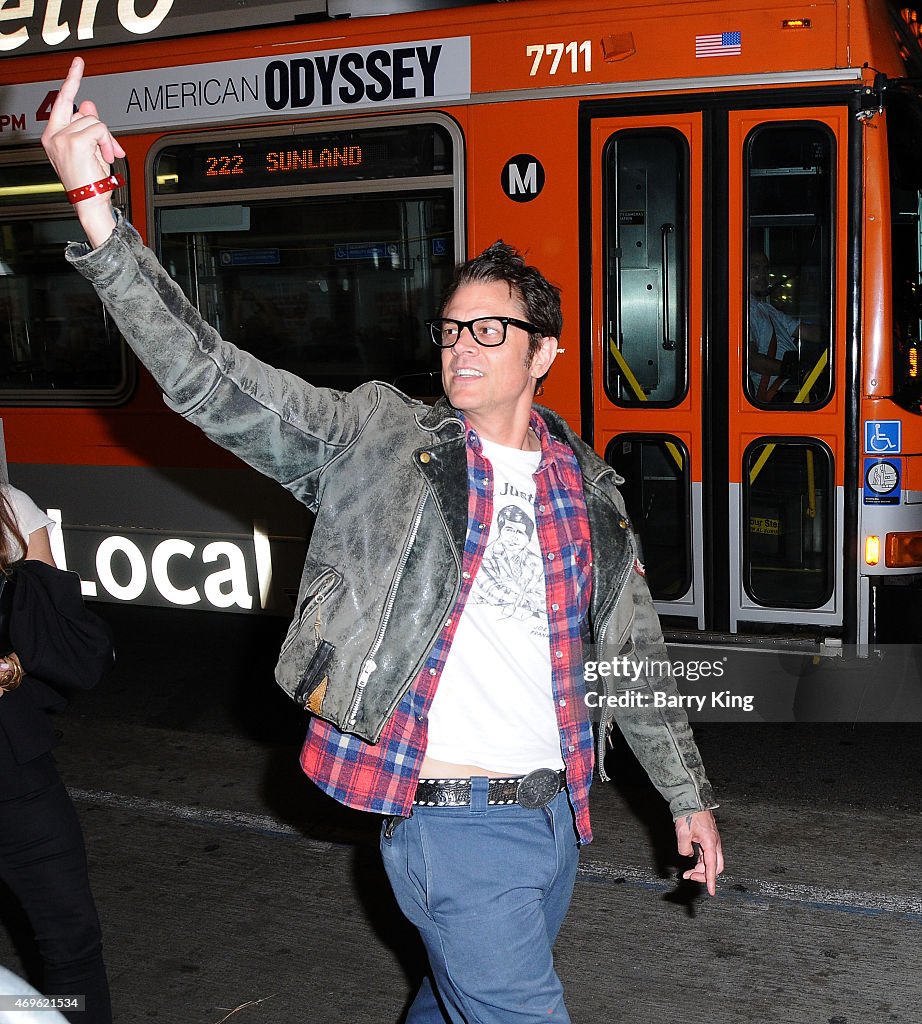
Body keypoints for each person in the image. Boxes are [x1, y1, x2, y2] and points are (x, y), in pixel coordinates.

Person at [41, 57, 723, 1024]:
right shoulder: (375, 439)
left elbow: (630, 660)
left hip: (553, 818)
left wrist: (685, 797)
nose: (462, 348)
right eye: (451, 330)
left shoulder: (587, 487)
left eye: (491, 330)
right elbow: (207, 375)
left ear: (545, 353)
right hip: (452, 826)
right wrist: (97, 204)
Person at [0, 482, 112, 1024]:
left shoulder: (11, 508)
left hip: (18, 776)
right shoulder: (11, 509)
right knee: (71, 949)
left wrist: (17, 659)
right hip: (16, 771)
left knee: (72, 949)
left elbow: (61, 632)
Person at [746, 250, 802, 401]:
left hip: (781, 389)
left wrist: (836, 334)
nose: (762, 275)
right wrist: (792, 370)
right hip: (764, 399)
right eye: (755, 268)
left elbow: (800, 330)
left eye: (765, 269)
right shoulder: (740, 312)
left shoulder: (765, 308)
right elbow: (751, 360)